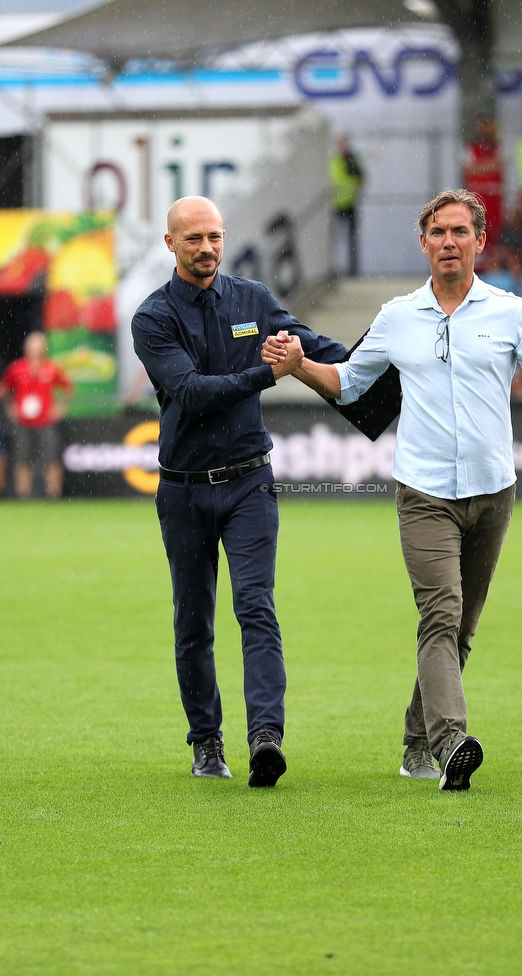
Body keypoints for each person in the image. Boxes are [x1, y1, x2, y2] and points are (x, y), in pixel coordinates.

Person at [263, 189, 522, 792]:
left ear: (480, 241)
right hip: (424, 494)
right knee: (440, 614)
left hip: (495, 492)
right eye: (438, 233)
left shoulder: (511, 312)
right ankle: (451, 741)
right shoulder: (397, 317)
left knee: (460, 629)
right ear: (424, 243)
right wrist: (300, 364)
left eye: (460, 232)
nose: (449, 242)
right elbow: (351, 385)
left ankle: (415, 744)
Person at [131, 196, 346, 786]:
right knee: (194, 621)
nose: (207, 248)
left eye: (215, 237)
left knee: (257, 607)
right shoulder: (151, 319)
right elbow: (193, 391)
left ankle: (265, 739)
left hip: (250, 480)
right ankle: (206, 742)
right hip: (183, 491)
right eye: (194, 238)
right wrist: (269, 373)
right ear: (170, 244)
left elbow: (311, 343)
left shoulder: (252, 299)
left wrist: (373, 362)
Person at [0, 331, 72, 498]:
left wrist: (60, 408)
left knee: (51, 457)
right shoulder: (17, 368)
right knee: (22, 458)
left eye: (39, 347)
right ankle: (23, 494)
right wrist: (11, 408)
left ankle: (53, 493)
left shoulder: (51, 368)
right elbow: (4, 389)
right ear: (26, 348)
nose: (35, 350)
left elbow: (68, 388)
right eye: (32, 347)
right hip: (23, 422)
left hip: (46, 421)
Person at [463, 117, 504, 241]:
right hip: (477, 194)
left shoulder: (498, 147)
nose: (484, 130)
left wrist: (479, 166)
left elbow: (499, 165)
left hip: (494, 194)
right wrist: (489, 166)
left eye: (486, 127)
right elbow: (468, 170)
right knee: (477, 226)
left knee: (495, 228)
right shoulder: (471, 148)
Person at [330, 135, 365, 276]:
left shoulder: (351, 160)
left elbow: (361, 179)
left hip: (348, 203)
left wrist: (354, 193)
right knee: (338, 239)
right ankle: (338, 268)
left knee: (351, 238)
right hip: (335, 205)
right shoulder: (336, 161)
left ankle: (352, 269)